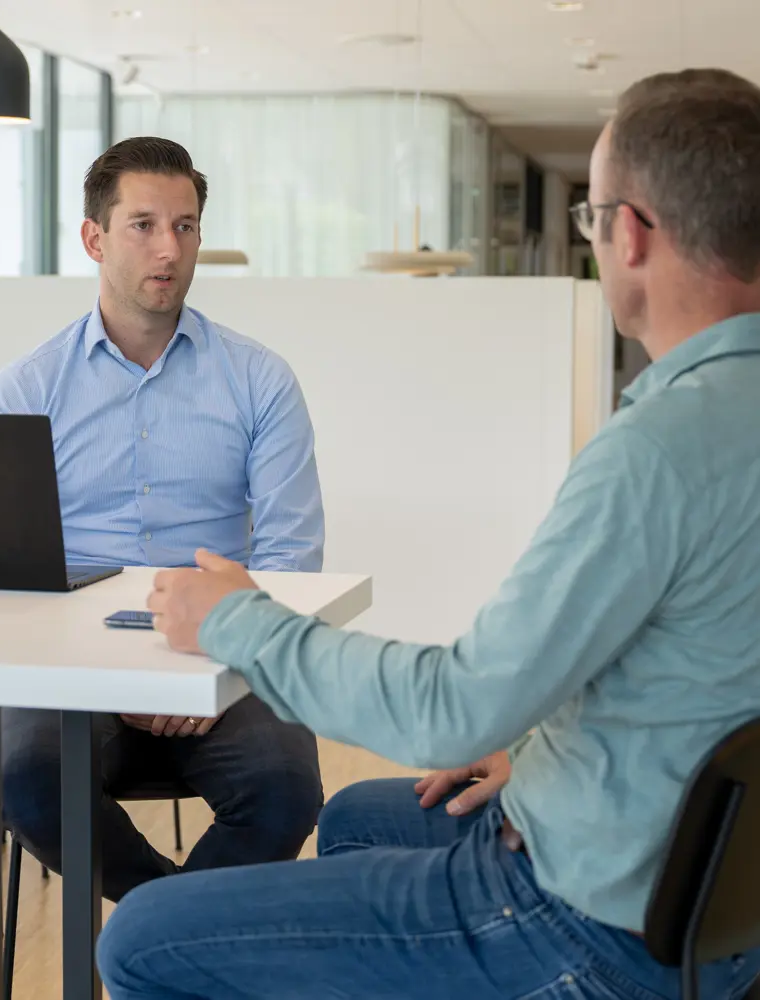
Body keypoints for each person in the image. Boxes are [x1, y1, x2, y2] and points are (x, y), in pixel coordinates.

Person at [98, 70, 760, 999]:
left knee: (142, 939)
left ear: (631, 233)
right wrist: (535, 753)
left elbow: (452, 709)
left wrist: (236, 619)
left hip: (587, 923)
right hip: (715, 904)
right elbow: (708, 667)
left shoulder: (654, 452)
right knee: (365, 816)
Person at [0, 136, 325, 901]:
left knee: (287, 788)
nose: (169, 249)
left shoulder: (259, 381)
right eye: (143, 225)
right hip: (76, 671)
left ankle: (155, 945)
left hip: (224, 660)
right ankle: (167, 931)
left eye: (186, 226)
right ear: (94, 238)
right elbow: (4, 580)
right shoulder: (24, 390)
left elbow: (290, 562)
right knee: (26, 779)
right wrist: (113, 676)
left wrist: (214, 666)